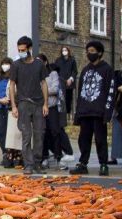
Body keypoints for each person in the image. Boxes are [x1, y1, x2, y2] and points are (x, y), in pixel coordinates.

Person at [71, 41, 115, 176]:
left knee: (100, 139)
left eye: (92, 51)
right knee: (83, 138)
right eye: (88, 51)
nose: (89, 54)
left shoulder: (107, 70)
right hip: (85, 111)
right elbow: (80, 92)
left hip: (99, 111)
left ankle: (103, 164)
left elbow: (111, 91)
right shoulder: (85, 70)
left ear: (100, 52)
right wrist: (78, 112)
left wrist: (107, 111)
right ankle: (83, 163)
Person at [10, 36, 48, 175]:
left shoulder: (39, 64)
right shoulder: (16, 65)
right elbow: (12, 85)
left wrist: (46, 104)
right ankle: (28, 164)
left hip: (38, 103)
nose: (21, 52)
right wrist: (13, 106)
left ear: (30, 49)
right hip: (23, 103)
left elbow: (43, 83)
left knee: (39, 134)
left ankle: (37, 162)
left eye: (23, 50)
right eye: (19, 50)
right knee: (26, 135)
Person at [38, 54, 64, 170]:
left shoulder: (53, 74)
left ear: (45, 62)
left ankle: (58, 156)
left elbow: (55, 88)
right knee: (43, 133)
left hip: (51, 107)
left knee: (55, 131)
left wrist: (43, 91)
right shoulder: (36, 75)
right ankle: (44, 157)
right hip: (39, 107)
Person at [0, 57, 12, 166]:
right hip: (0, 108)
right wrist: (0, 100)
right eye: (3, 64)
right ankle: (4, 154)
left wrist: (8, 100)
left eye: (7, 64)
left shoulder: (13, 78)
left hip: (10, 108)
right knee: (1, 132)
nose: (5, 66)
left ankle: (12, 155)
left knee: (11, 133)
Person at [55, 46, 78, 119]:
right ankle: (61, 115)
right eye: (63, 50)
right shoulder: (58, 60)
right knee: (61, 99)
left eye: (65, 50)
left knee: (68, 99)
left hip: (69, 83)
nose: (64, 51)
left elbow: (74, 71)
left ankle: (68, 115)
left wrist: (71, 79)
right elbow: (56, 71)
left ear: (68, 51)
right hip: (61, 82)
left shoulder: (72, 60)